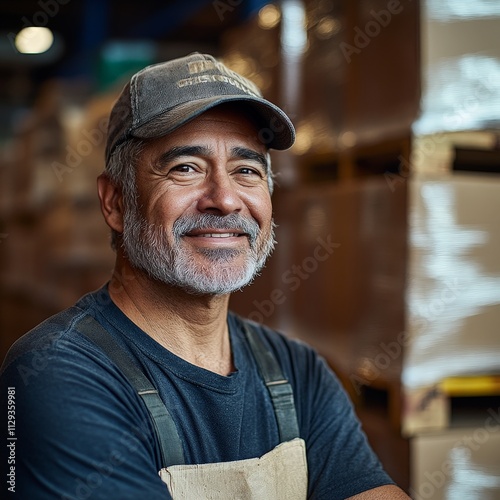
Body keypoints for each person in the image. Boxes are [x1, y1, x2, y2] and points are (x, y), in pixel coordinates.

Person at [0, 52, 410, 499]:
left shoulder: (299, 373)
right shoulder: (57, 374)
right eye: (186, 168)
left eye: (246, 170)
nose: (225, 199)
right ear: (115, 202)